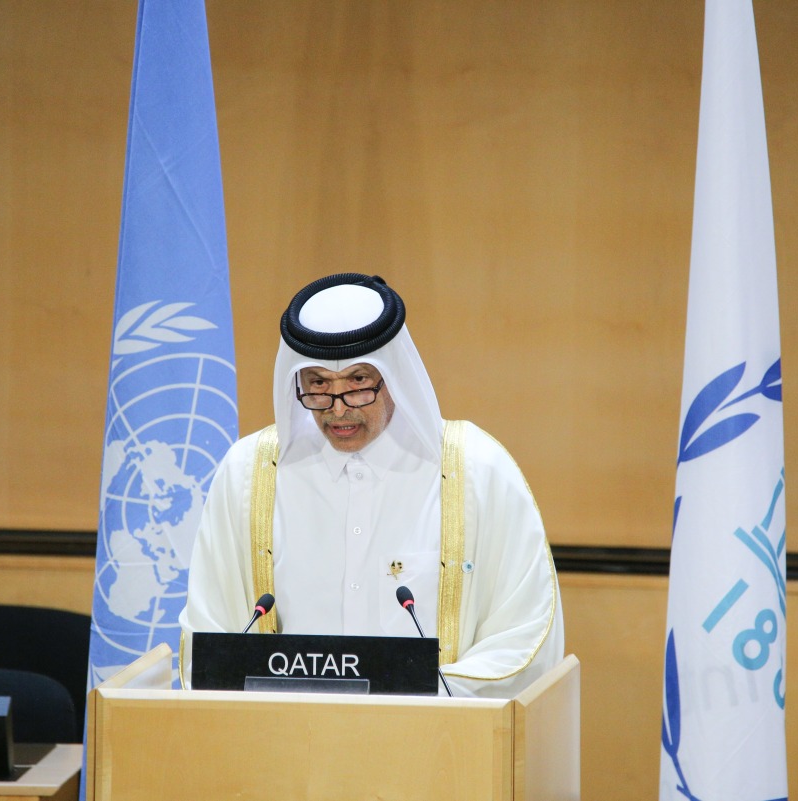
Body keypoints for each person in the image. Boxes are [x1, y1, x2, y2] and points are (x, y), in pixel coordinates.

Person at [178, 273, 564, 697]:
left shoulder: (478, 472)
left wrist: (420, 701)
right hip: (285, 745)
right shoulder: (248, 475)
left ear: (394, 375)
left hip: (432, 747)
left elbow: (524, 636)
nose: (338, 410)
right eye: (318, 384)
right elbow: (208, 634)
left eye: (359, 382)